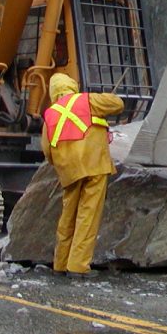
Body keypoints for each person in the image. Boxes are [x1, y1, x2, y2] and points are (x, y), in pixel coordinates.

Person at [42, 73, 124, 279]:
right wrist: (103, 97)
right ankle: (78, 267)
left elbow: (46, 149)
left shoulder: (50, 114)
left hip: (69, 171)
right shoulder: (87, 100)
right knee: (87, 216)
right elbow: (117, 104)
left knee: (67, 217)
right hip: (94, 165)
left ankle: (60, 263)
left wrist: (63, 163)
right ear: (71, 86)